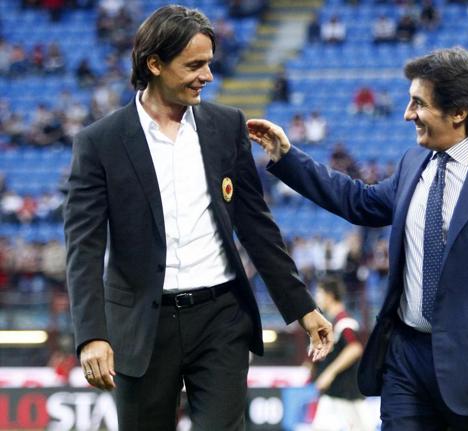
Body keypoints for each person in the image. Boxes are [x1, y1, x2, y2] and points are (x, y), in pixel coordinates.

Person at [248, 47, 468, 430]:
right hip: (406, 361)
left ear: (458, 112)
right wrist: (287, 156)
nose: (408, 114)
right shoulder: (413, 163)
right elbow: (359, 201)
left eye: (419, 103)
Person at [64, 5, 333, 431]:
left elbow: (257, 227)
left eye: (209, 63)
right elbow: (84, 247)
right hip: (142, 326)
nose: (207, 76)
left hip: (221, 318)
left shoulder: (227, 126)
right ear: (154, 64)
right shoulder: (99, 143)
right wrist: (92, 335)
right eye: (194, 65)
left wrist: (303, 306)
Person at [311, 277, 376, 431]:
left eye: (319, 293)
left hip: (347, 392)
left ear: (329, 295)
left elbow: (354, 348)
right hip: (334, 392)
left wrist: (329, 373)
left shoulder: (344, 322)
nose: (316, 298)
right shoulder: (331, 322)